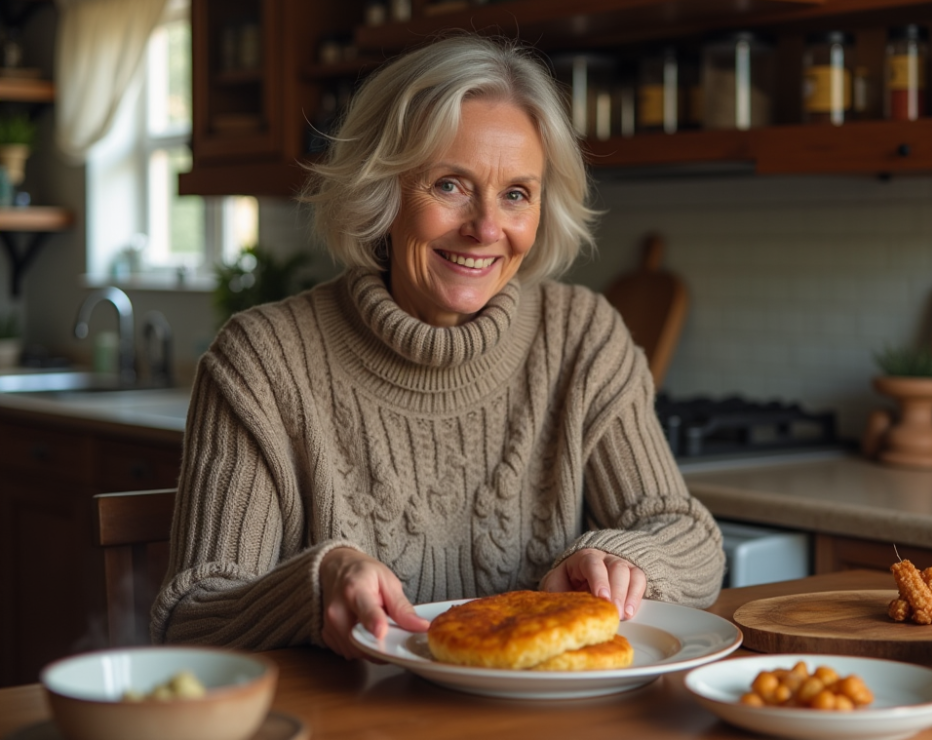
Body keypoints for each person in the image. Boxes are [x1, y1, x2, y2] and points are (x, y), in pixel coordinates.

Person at [151, 34, 725, 660]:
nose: (485, 228)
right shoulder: (261, 362)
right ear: (383, 188)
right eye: (450, 185)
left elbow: (688, 536)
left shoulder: (584, 336)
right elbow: (190, 618)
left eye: (515, 194)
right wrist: (318, 585)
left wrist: (621, 560)